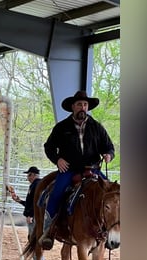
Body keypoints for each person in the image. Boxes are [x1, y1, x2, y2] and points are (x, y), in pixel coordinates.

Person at [40, 90, 115, 250]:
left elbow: (109, 146)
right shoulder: (62, 127)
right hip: (69, 169)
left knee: (109, 195)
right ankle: (48, 231)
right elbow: (49, 147)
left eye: (85, 104)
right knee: (56, 195)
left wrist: (109, 154)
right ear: (73, 107)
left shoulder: (97, 127)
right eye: (79, 104)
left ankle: (109, 232)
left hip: (92, 169)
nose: (83, 107)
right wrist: (57, 159)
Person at [9, 166, 45, 260]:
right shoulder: (36, 185)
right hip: (34, 215)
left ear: (33, 175)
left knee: (34, 238)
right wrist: (19, 201)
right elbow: (31, 203)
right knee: (33, 237)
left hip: (34, 216)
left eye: (29, 175)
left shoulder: (36, 185)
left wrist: (31, 215)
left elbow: (35, 203)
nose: (28, 178)